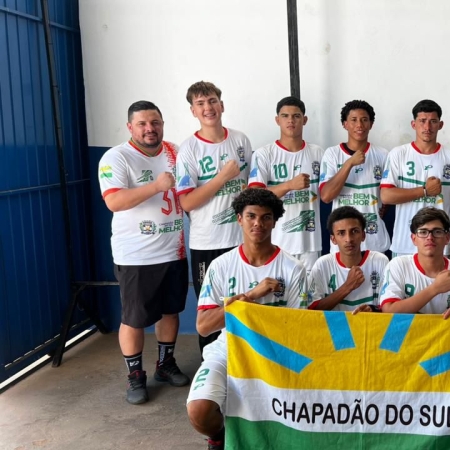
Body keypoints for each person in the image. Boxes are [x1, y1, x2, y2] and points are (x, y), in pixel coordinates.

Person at [186, 188, 306, 450]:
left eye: (266, 217)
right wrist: (250, 296)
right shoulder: (221, 266)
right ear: (239, 219)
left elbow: (300, 326)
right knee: (199, 411)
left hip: (276, 351)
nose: (258, 224)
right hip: (230, 347)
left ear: (275, 222)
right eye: (251, 216)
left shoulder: (293, 268)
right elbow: (204, 325)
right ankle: (220, 437)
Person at [97, 100, 190, 405]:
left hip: (172, 250)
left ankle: (164, 365)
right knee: (134, 319)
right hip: (135, 255)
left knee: (170, 311)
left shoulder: (175, 152)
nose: (150, 129)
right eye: (142, 124)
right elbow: (114, 201)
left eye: (155, 122)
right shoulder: (116, 157)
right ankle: (135, 376)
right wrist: (156, 186)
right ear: (130, 127)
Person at [175, 81, 252, 352]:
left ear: (222, 105)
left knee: (244, 304)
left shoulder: (240, 140)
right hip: (207, 243)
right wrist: (222, 177)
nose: (208, 107)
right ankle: (211, 369)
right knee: (212, 312)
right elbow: (187, 201)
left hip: (242, 241)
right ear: (193, 111)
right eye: (200, 103)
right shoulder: (189, 149)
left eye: (211, 101)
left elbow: (248, 191)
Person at [380, 99, 450, 261]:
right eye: (422, 121)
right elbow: (386, 196)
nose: (427, 127)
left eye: (433, 121)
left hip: (441, 244)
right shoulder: (398, 154)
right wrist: (424, 191)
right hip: (404, 244)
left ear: (440, 125)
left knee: (442, 286)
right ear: (413, 124)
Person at [248, 96, 324, 274]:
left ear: (304, 120)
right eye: (285, 116)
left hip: (310, 243)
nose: (291, 120)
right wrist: (289, 185)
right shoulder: (264, 154)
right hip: (276, 242)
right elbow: (254, 197)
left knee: (309, 300)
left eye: (296, 116)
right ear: (277, 120)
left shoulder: (318, 153)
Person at [319, 100, 391, 253]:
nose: (359, 125)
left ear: (371, 124)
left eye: (364, 120)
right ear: (345, 124)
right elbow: (326, 196)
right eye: (354, 120)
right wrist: (349, 163)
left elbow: (387, 196)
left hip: (375, 242)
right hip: (343, 243)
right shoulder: (332, 154)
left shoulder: (383, 155)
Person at [379, 207, 450, 316]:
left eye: (437, 232)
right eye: (423, 232)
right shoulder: (398, 266)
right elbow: (388, 310)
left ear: (447, 238)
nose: (430, 237)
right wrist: (434, 289)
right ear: (414, 238)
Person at [308, 206, 389, 312]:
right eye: (341, 233)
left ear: (363, 235)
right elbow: (311, 311)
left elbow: (389, 306)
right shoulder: (322, 265)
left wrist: (373, 309)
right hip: (333, 328)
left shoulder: (380, 261)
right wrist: (347, 286)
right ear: (333, 239)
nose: (349, 239)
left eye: (354, 231)